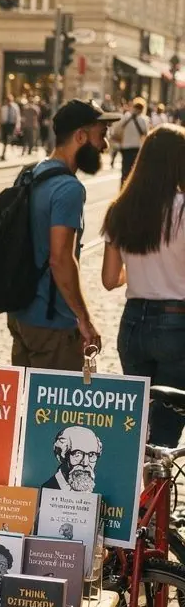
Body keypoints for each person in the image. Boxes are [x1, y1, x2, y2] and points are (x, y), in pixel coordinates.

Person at [8, 98, 119, 372]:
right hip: (52, 321)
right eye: (100, 135)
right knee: (54, 413)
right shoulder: (69, 189)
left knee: (26, 404)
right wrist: (83, 318)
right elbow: (61, 258)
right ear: (80, 136)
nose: (104, 146)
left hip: (20, 314)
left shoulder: (31, 173)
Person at [102, 124, 185, 446]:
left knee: (137, 427)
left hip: (133, 323)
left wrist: (138, 271)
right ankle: (155, 497)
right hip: (176, 323)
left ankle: (138, 493)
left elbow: (110, 279)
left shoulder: (121, 209)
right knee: (165, 432)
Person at [41, 427, 102, 491]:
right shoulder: (47, 489)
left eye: (91, 455)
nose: (85, 463)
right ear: (61, 456)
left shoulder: (96, 495)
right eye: (78, 454)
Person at [112, 97, 149, 185]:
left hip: (125, 147)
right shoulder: (143, 120)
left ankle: (122, 189)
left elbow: (117, 128)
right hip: (137, 148)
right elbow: (146, 134)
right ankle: (131, 190)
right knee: (135, 172)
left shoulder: (126, 117)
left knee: (125, 170)